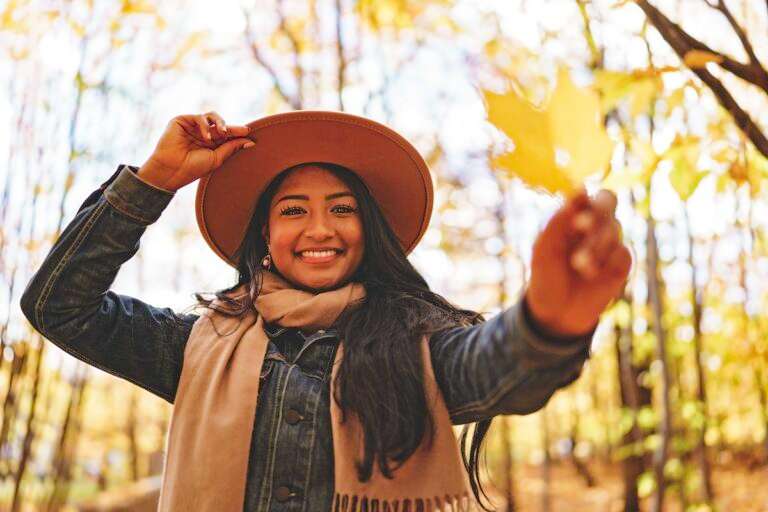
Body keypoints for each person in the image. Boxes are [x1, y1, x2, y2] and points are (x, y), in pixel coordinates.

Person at [20, 110, 631, 511]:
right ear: (265, 235)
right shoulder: (197, 347)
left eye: (343, 208)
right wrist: (153, 180)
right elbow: (60, 306)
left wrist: (548, 318)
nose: (320, 228)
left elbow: (500, 368)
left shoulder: (418, 345)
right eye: (293, 210)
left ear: (369, 230)